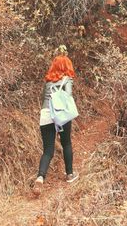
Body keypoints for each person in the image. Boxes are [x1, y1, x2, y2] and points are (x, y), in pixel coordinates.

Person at [34, 45, 78, 195]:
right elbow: (68, 96)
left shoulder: (47, 83)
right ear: (67, 66)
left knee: (48, 150)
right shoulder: (67, 80)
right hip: (61, 115)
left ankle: (40, 177)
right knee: (66, 143)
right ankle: (70, 174)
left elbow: (43, 100)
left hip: (46, 114)